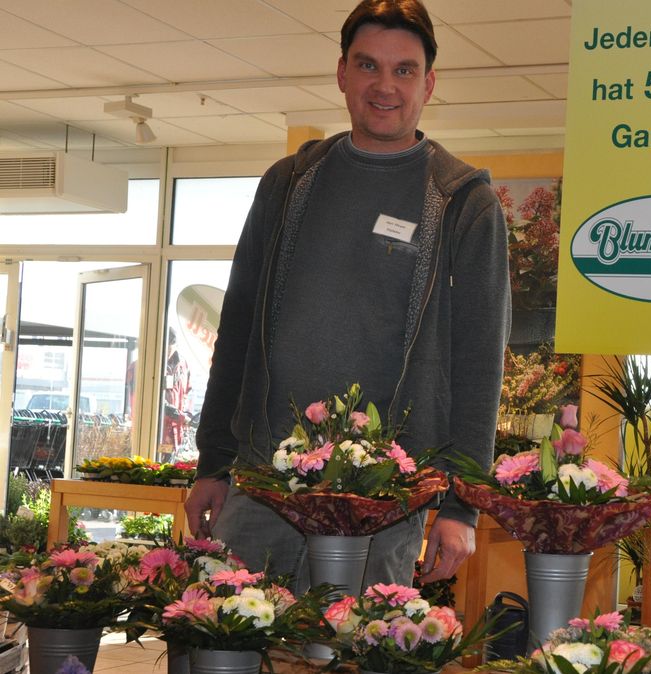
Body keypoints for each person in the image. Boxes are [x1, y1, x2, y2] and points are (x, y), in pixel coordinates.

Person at [185, 0, 511, 587]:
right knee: (229, 647)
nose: (385, 86)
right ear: (342, 74)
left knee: (347, 652)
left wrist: (462, 505)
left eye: (404, 70)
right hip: (261, 486)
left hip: (384, 499)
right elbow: (236, 327)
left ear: (429, 83)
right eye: (368, 66)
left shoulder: (464, 203)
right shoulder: (286, 185)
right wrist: (214, 461)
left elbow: (480, 363)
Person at [161, 329, 192, 454]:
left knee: (168, 468)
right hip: (157, 431)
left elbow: (186, 394)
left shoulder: (183, 366)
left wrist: (186, 415)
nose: (167, 351)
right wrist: (180, 415)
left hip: (175, 434)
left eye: (170, 347)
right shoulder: (150, 364)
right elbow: (154, 400)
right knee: (156, 466)